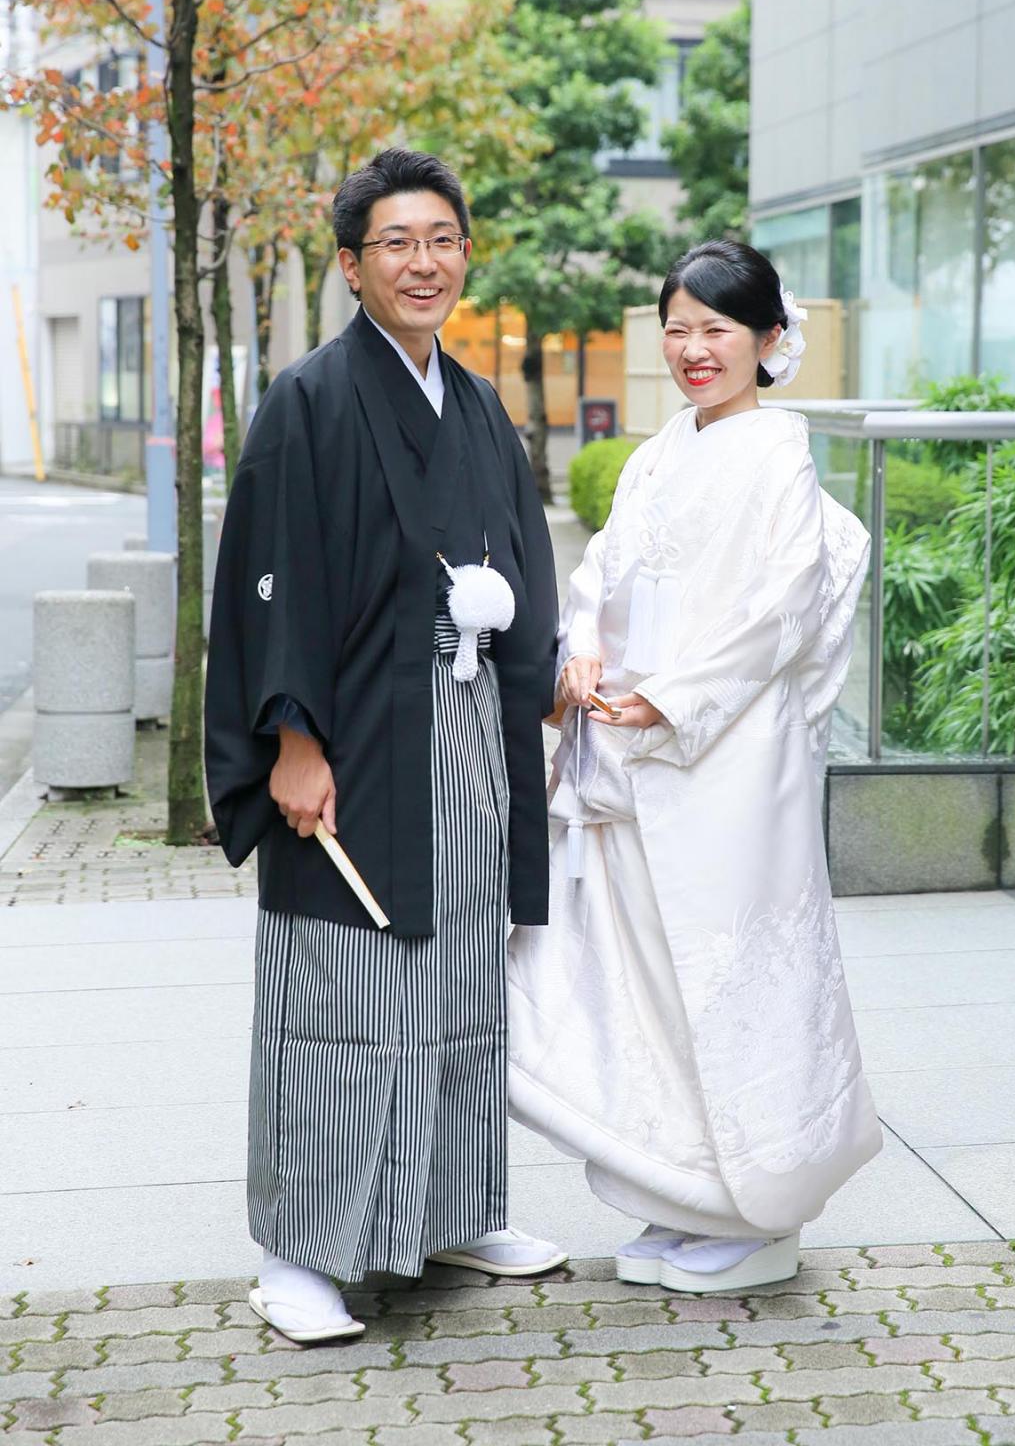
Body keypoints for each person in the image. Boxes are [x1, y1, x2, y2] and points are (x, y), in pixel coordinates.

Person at [205, 148, 565, 1344]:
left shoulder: (475, 403)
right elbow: (272, 579)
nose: (423, 262)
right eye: (396, 243)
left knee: (457, 980)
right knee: (338, 995)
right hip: (352, 735)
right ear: (352, 266)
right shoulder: (309, 399)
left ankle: (451, 1209)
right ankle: (298, 1252)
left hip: (463, 732)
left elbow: (520, 562)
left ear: (465, 255)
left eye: (442, 240)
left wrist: (536, 663)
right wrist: (290, 738)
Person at [508, 240, 882, 1295]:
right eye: (677, 329)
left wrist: (673, 696)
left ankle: (763, 1214)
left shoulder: (778, 456)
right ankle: (688, 1193)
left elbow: (778, 609)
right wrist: (582, 650)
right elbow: (603, 571)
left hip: (727, 762)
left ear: (769, 339)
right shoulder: (657, 453)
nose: (693, 350)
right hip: (631, 749)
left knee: (730, 976)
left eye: (717, 329)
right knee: (652, 986)